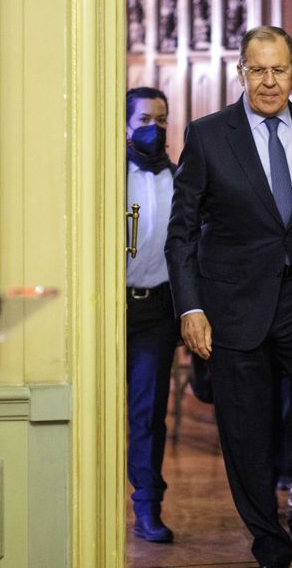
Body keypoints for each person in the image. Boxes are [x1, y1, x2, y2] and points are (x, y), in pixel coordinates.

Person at [166, 25, 292, 568]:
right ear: (241, 73)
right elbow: (181, 233)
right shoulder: (208, 135)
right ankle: (269, 543)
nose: (270, 82)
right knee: (246, 434)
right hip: (233, 307)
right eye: (259, 71)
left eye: (280, 70)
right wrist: (191, 306)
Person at [124, 86, 181, 543]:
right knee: (94, 410)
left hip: (157, 311)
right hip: (109, 311)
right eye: (144, 119)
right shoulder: (111, 175)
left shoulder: (177, 176)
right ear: (126, 126)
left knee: (148, 411)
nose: (154, 128)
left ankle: (147, 506)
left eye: (161, 120)